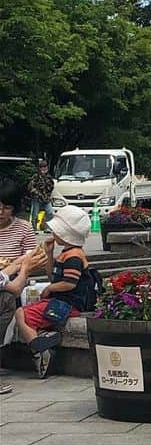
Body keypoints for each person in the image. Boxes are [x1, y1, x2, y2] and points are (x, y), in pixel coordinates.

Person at [13, 205, 94, 379]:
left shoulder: (73, 256)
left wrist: (50, 289)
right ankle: (42, 345)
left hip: (67, 304)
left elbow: (69, 283)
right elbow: (53, 278)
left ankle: (39, 349)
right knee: (29, 315)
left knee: (21, 313)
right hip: (64, 302)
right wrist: (49, 255)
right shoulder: (67, 253)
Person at [0, 179, 44, 393]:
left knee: (10, 299)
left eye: (6, 207)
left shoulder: (23, 228)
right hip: (6, 282)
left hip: (16, 282)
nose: (1, 212)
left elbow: (31, 261)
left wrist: (15, 267)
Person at [25, 160, 55, 231]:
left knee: (50, 213)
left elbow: (51, 187)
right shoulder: (36, 177)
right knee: (35, 215)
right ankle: (34, 229)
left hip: (46, 199)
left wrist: (48, 193)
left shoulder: (49, 177)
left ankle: (47, 228)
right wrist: (37, 193)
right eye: (42, 167)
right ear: (39, 168)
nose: (43, 168)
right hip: (37, 199)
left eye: (45, 167)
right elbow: (30, 187)